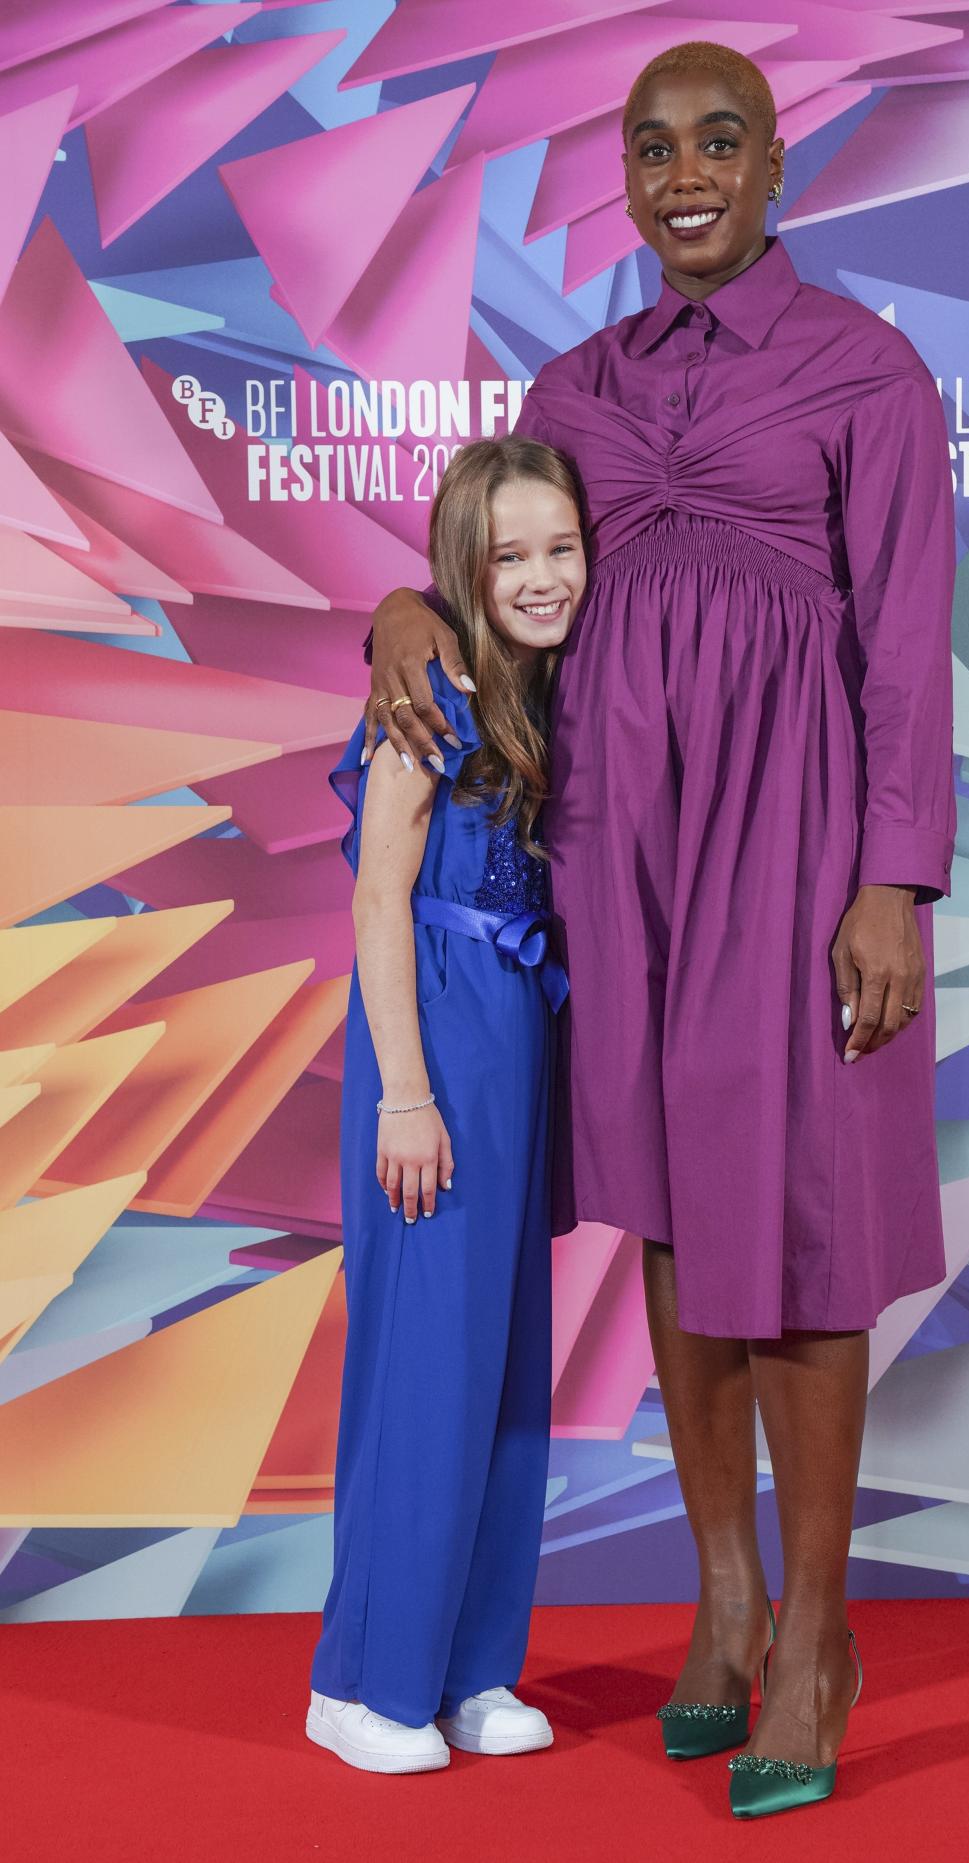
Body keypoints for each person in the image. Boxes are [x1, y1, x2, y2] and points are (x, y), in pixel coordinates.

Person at [366, 42, 956, 1818]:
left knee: (806, 1219)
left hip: (800, 853)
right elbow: (493, 564)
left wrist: (889, 881)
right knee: (679, 1218)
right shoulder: (575, 380)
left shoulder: (864, 369)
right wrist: (402, 602)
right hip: (619, 856)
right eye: (649, 149)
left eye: (718, 142)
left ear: (775, 165)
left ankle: (822, 1631)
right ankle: (722, 1606)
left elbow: (907, 646)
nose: (683, 172)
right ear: (622, 180)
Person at [308, 437, 586, 1774]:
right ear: (461, 570)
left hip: (516, 1043)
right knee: (423, 1368)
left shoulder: (550, 692)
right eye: (510, 555)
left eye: (560, 548)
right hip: (432, 1044)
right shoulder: (428, 696)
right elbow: (375, 903)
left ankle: (475, 1670)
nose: (541, 578)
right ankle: (367, 1679)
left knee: (502, 1372)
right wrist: (402, 1098)